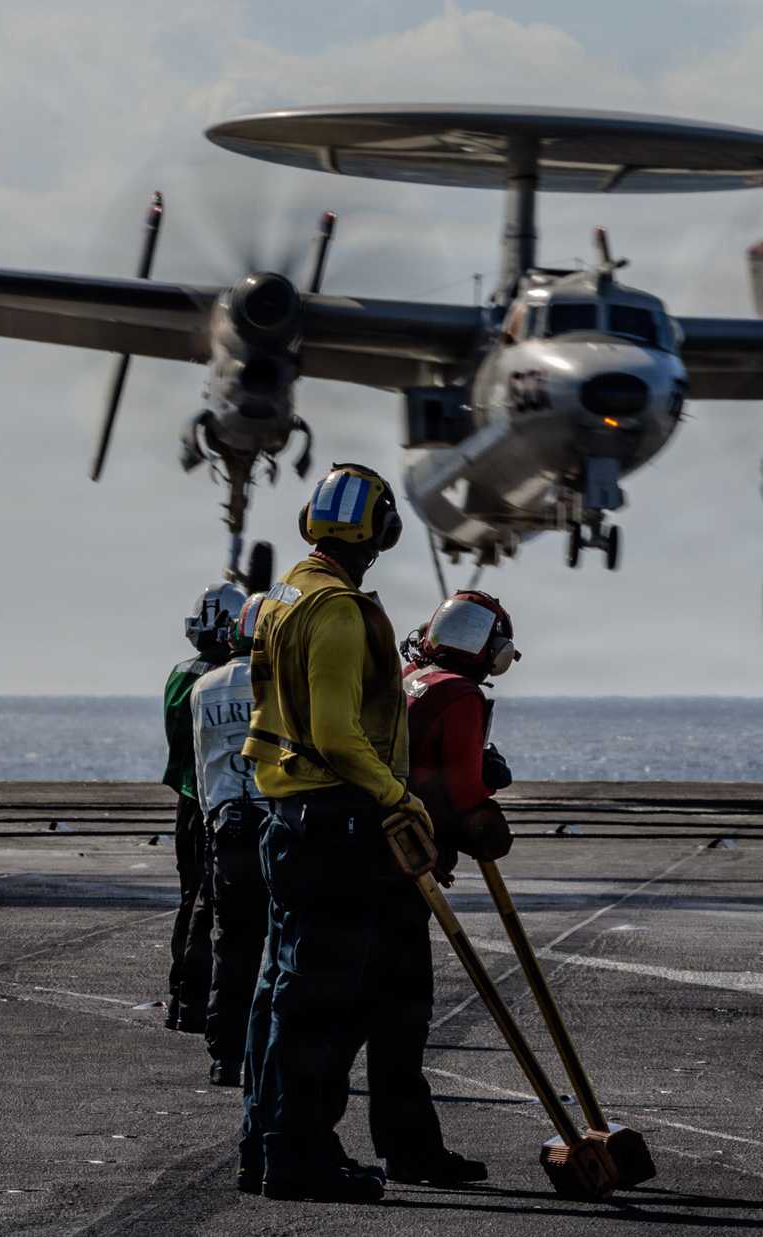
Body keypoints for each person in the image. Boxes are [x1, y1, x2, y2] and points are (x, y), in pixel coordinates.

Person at [236, 462, 479, 1203]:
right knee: (318, 1004)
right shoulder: (338, 610)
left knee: (278, 994)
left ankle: (264, 1144)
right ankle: (300, 1157)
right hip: (335, 822)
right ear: (380, 534)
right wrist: (397, 794)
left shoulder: (283, 595)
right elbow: (340, 734)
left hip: (283, 818)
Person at [189, 591, 271, 1087]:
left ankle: (225, 1055)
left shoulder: (205, 687)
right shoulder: (283, 685)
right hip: (274, 824)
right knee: (283, 950)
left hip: (224, 825)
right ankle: (270, 1052)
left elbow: (202, 766)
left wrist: (209, 817)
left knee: (232, 946)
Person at [162, 581, 245, 1032]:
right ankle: (200, 998)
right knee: (213, 905)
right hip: (216, 802)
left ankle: (182, 997)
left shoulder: (180, 675)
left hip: (187, 802)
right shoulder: (226, 683)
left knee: (189, 897)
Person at [400, 590, 521, 887]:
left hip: (393, 808)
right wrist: (489, 775)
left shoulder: (411, 674)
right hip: (421, 822)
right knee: (494, 836)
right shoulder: (461, 695)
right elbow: (464, 792)